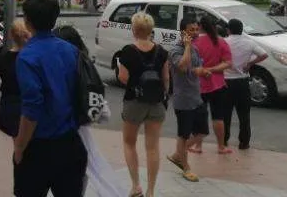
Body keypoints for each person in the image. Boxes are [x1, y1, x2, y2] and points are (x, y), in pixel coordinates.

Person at [13, 0, 88, 197]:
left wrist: (19, 146)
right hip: (70, 143)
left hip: (38, 147)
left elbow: (32, 109)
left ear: (27, 21)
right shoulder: (71, 50)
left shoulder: (27, 57)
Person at [53, 25, 125, 197]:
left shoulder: (52, 66)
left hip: (56, 134)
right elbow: (102, 112)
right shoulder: (84, 66)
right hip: (79, 134)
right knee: (81, 174)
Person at [116, 12, 170, 197]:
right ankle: (151, 190)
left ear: (134, 29)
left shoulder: (128, 51)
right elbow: (166, 79)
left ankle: (136, 185)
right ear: (150, 30)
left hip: (134, 102)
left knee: (129, 142)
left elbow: (123, 78)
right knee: (153, 147)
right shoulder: (161, 51)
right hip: (156, 103)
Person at [166, 16, 208, 183]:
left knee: (202, 132)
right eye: (192, 30)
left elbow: (194, 68)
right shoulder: (175, 51)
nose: (196, 32)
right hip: (183, 100)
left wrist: (203, 71)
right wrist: (188, 46)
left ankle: (178, 154)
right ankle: (186, 168)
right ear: (183, 32)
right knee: (183, 135)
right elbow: (183, 66)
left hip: (196, 97)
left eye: (197, 29)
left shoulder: (195, 50)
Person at [222, 18, 267, 150]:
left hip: (226, 81)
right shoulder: (249, 43)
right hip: (242, 82)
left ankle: (224, 141)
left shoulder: (224, 42)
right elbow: (264, 55)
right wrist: (250, 63)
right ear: (241, 29)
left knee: (226, 114)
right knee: (244, 115)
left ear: (228, 30)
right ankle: (244, 142)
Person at [191, 15, 232, 154]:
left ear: (200, 26)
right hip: (218, 84)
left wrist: (204, 70)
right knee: (218, 117)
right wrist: (213, 69)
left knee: (199, 117)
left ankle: (198, 146)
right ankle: (221, 146)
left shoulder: (194, 42)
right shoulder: (221, 41)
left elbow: (190, 65)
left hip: (198, 85)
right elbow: (228, 63)